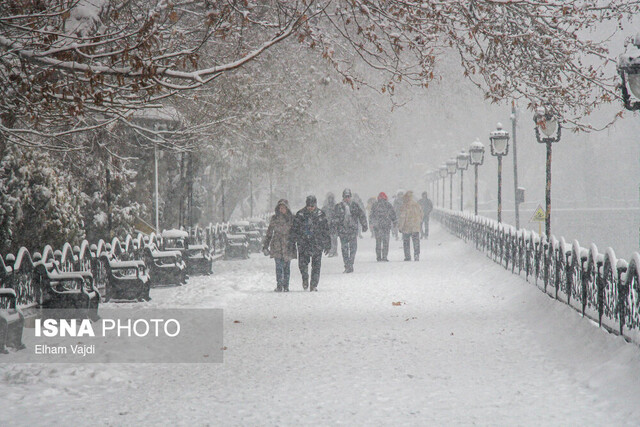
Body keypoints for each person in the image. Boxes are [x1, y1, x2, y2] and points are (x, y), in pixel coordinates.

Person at [292, 195, 331, 291]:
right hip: (303, 243)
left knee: (316, 266)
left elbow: (325, 230)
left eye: (312, 206)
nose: (310, 208)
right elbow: (294, 229)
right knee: (302, 264)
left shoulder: (321, 214)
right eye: (309, 206)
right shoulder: (300, 214)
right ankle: (305, 278)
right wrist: (293, 241)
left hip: (317, 243)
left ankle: (313, 285)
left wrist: (327, 243)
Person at [262, 199, 297, 292]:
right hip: (277, 245)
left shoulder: (292, 218)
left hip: (288, 244)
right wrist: (265, 245)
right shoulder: (274, 218)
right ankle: (279, 285)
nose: (282, 209)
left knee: (286, 267)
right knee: (278, 266)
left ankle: (286, 285)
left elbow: (296, 231)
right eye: (280, 208)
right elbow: (269, 233)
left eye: (284, 208)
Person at [332, 188, 368, 273]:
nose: (347, 198)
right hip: (343, 231)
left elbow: (361, 215)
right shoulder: (338, 206)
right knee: (344, 249)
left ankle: (350, 263)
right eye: (345, 196)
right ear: (343, 197)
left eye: (348, 196)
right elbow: (334, 218)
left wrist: (364, 225)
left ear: (350, 197)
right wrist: (334, 228)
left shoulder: (355, 205)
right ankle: (347, 264)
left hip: (352, 230)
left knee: (353, 248)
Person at [369, 192, 397, 262]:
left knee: (378, 242)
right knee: (385, 242)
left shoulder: (375, 205)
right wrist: (394, 222)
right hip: (386, 225)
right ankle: (384, 256)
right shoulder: (388, 205)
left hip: (377, 226)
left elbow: (371, 215)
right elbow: (393, 214)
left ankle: (378, 257)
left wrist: (371, 223)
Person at [398, 191, 423, 261]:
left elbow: (403, 217)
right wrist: (418, 222)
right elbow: (421, 215)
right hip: (415, 227)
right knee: (416, 241)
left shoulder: (405, 206)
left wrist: (400, 227)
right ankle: (416, 254)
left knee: (406, 242)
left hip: (407, 227)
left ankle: (407, 256)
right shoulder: (417, 205)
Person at [322, 192, 338, 257]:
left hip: (333, 225)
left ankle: (333, 251)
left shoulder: (336, 207)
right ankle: (331, 250)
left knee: (333, 238)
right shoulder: (325, 207)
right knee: (330, 239)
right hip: (328, 225)